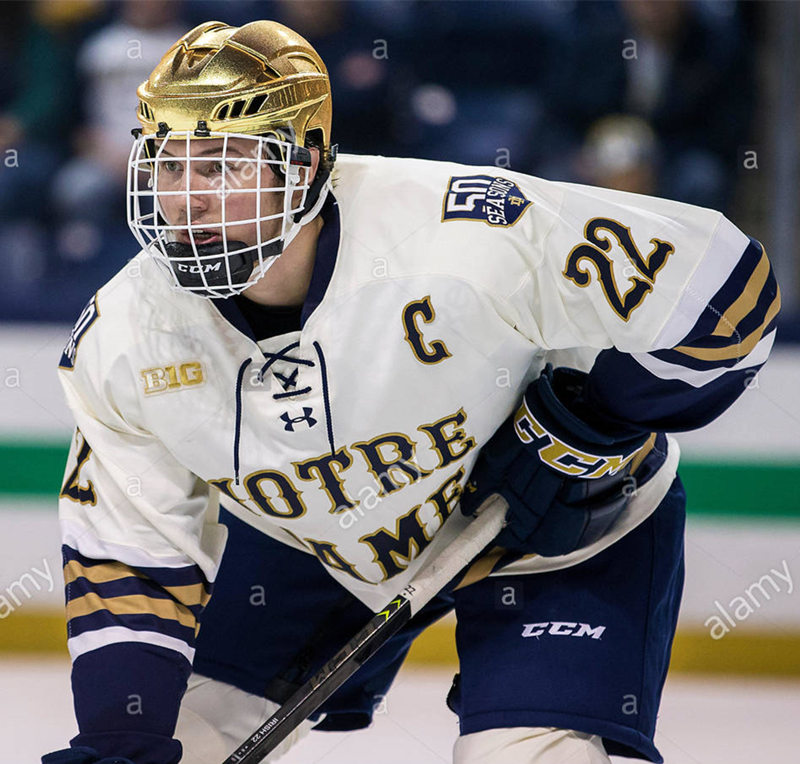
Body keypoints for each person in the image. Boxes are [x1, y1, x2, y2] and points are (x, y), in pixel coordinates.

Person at [42, 19, 779, 764]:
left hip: (563, 530)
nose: (186, 200)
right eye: (170, 166)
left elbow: (728, 290)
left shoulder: (462, 230)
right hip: (320, 542)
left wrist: (592, 424)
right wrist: (119, 742)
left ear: (303, 165)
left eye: (223, 165)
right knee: (172, 743)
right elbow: (127, 563)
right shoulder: (125, 337)